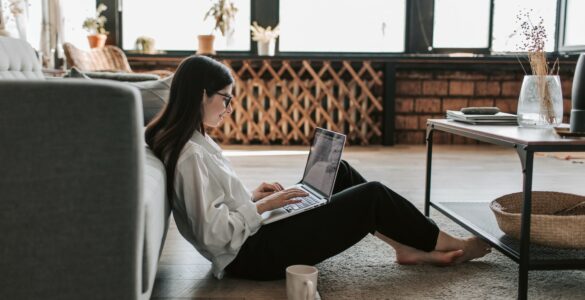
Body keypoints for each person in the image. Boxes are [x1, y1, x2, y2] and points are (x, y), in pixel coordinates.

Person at [145, 55, 491, 281]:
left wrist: (253, 197)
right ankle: (446, 242)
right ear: (201, 94)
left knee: (340, 172)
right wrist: (262, 207)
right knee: (372, 196)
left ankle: (404, 247)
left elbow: (212, 209)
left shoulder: (194, 141)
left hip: (252, 237)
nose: (230, 108)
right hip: (249, 257)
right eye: (226, 98)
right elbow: (214, 235)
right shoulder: (191, 154)